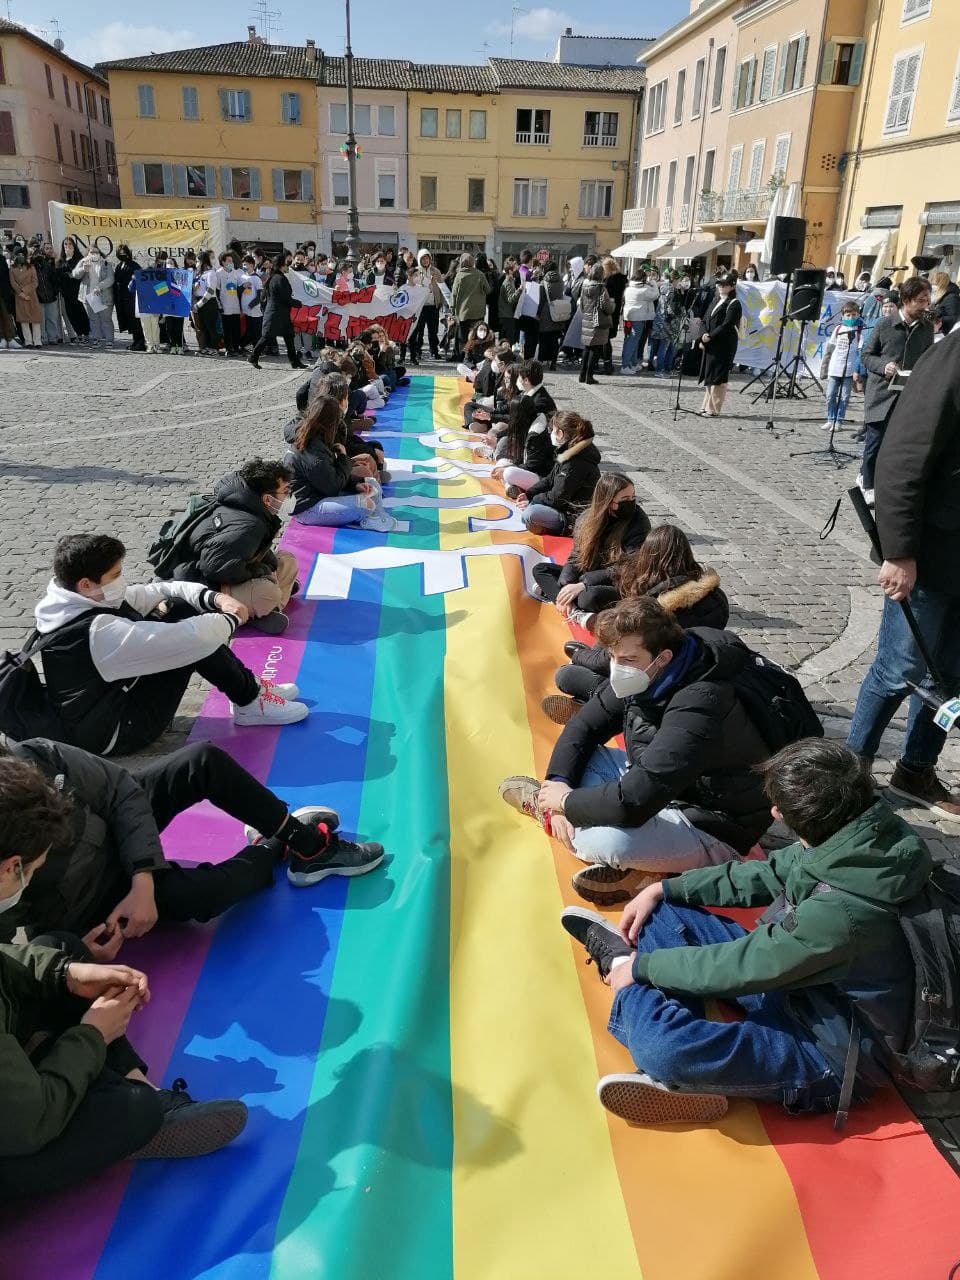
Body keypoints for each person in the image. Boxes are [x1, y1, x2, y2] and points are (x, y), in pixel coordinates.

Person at [559, 739, 931, 1127]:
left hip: (830, 1047)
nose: (773, 811)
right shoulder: (856, 832)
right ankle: (692, 1070)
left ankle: (630, 983)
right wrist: (664, 888)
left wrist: (639, 969)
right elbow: (765, 873)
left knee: (664, 1050)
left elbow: (745, 965)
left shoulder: (845, 910)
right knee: (660, 910)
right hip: (802, 982)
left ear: (790, 817)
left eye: (778, 808)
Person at [0, 758, 250, 1196]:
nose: (32, 880)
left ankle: (120, 1079)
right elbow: (30, 1124)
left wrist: (65, 973)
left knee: (60, 947)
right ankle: (133, 1104)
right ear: (10, 868)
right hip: (18, 1132)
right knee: (131, 1113)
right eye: (35, 871)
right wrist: (91, 1036)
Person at [499, 598, 772, 905]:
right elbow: (584, 727)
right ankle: (637, 860)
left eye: (627, 659)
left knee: (606, 842)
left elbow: (636, 800)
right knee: (582, 759)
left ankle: (559, 818)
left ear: (663, 657)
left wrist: (564, 802)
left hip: (714, 824)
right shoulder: (650, 672)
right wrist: (560, 781)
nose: (617, 668)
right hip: (662, 784)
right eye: (613, 657)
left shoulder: (700, 704)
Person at [0, 737, 383, 953]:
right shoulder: (15, 877)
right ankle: (271, 845)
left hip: (115, 833)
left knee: (201, 761)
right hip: (92, 904)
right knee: (210, 894)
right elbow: (17, 966)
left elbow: (120, 790)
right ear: (12, 866)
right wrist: (73, 958)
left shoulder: (33, 758)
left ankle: (307, 845)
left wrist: (143, 878)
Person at [34, 534, 309, 755]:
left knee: (179, 610)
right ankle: (250, 701)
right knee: (193, 635)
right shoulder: (98, 631)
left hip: (100, 707)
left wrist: (215, 599)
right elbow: (190, 638)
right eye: (115, 574)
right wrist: (230, 618)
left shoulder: (71, 601)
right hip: (114, 733)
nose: (122, 580)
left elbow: (161, 590)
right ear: (85, 583)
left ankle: (250, 691)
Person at [847, 332, 960, 817]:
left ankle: (915, 769)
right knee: (899, 670)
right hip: (931, 555)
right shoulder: (955, 355)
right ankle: (848, 777)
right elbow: (902, 457)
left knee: (952, 676)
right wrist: (899, 551)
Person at [548, 525, 729, 723]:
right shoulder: (717, 597)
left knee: (566, 674)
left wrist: (579, 654)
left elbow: (606, 661)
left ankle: (603, 704)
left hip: (655, 682)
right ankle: (594, 703)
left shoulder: (651, 613)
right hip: (693, 672)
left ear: (649, 558)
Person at [175, 458, 299, 635]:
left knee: (287, 561)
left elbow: (250, 550)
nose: (287, 497)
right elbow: (215, 568)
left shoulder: (249, 507)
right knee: (269, 593)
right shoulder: (249, 524)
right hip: (206, 585)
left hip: (228, 570)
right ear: (266, 498)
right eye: (284, 492)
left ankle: (261, 608)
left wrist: (267, 566)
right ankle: (254, 611)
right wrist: (258, 572)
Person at [858, 275, 933, 503]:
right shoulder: (884, 324)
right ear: (906, 299)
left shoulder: (926, 328)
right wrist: (884, 366)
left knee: (896, 444)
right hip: (881, 395)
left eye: (928, 300)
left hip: (908, 396)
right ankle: (867, 483)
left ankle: (879, 480)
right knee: (875, 441)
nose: (925, 305)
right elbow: (866, 356)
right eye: (921, 300)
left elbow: (927, 358)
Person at [532, 473, 650, 614]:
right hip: (589, 571)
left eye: (633, 497)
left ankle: (564, 601)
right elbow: (576, 556)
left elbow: (628, 567)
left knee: (590, 597)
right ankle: (567, 602)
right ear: (608, 501)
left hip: (619, 580)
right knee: (540, 569)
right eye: (625, 499)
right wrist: (567, 583)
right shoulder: (586, 519)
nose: (631, 502)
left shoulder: (639, 522)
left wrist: (584, 584)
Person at [284, 394, 398, 533]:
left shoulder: (317, 439)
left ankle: (377, 516)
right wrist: (343, 457)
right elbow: (332, 486)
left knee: (371, 486)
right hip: (307, 508)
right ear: (330, 423)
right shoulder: (313, 449)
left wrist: (355, 485)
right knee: (365, 504)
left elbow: (329, 475)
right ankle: (371, 517)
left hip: (319, 493)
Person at [508, 410, 601, 536]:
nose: (550, 433)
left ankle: (555, 528)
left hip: (572, 515)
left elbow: (558, 497)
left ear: (560, 433)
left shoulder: (575, 461)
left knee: (528, 515)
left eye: (552, 430)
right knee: (529, 507)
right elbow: (550, 479)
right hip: (561, 505)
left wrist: (534, 500)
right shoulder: (567, 451)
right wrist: (529, 494)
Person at [491, 358, 556, 490]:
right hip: (527, 459)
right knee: (504, 461)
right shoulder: (526, 396)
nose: (516, 381)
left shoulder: (539, 411)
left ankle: (511, 484)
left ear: (526, 380)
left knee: (508, 469)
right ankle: (509, 481)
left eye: (519, 378)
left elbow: (533, 464)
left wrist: (508, 468)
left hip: (540, 475)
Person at [249, 253, 305, 369]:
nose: (287, 266)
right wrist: (297, 303)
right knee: (266, 337)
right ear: (281, 265)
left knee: (289, 337)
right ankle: (253, 357)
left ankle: (295, 361)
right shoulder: (279, 279)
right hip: (276, 315)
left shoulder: (275, 277)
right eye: (285, 264)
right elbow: (285, 297)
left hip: (281, 314)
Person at [698, 274, 741, 417]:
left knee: (719, 376)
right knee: (709, 374)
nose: (722, 286)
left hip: (724, 344)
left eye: (726, 284)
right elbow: (705, 320)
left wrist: (710, 336)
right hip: (710, 343)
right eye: (720, 284)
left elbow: (727, 324)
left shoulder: (734, 303)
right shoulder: (715, 299)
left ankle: (714, 408)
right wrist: (703, 334)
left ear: (732, 286)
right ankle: (706, 404)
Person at [819, 300, 864, 432]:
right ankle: (830, 419)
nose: (851, 318)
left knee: (844, 397)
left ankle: (838, 421)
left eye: (854, 315)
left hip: (849, 370)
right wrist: (824, 368)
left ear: (858, 315)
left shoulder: (859, 331)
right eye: (848, 315)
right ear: (843, 316)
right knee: (830, 395)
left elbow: (860, 352)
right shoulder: (838, 329)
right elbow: (830, 349)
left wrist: (858, 370)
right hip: (835, 368)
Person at [577, 263, 614, 385]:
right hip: (598, 322)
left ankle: (582, 375)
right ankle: (589, 376)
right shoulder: (601, 289)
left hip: (586, 320)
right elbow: (607, 308)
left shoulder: (585, 286)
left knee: (587, 348)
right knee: (596, 349)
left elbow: (582, 305)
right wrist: (612, 304)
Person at [71, 245, 115, 346]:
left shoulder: (106, 263)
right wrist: (83, 269)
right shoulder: (83, 261)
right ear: (88, 253)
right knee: (93, 319)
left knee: (106, 319)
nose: (94, 254)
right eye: (92, 252)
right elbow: (75, 274)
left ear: (100, 253)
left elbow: (110, 279)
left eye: (96, 252)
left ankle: (109, 340)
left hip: (103, 296)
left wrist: (99, 286)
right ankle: (96, 339)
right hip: (88, 296)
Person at [449, 253, 490, 359]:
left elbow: (454, 293)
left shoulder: (459, 275)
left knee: (463, 336)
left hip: (463, 311)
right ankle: (475, 355)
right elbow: (488, 290)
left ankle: (464, 356)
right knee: (477, 334)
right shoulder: (480, 274)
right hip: (478, 311)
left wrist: (452, 307)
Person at [619, 271, 658, 373]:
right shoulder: (644, 290)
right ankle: (625, 366)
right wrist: (653, 283)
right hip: (638, 319)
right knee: (632, 342)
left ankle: (633, 363)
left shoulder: (628, 288)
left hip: (627, 318)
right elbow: (655, 295)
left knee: (630, 340)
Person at [410, 249, 444, 362]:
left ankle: (434, 351)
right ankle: (418, 351)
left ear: (430, 258)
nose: (425, 260)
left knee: (433, 330)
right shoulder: (415, 272)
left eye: (427, 258)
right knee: (419, 330)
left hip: (433, 305)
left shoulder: (436, 271)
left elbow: (442, 287)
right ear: (419, 259)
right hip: (420, 306)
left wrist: (441, 302)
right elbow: (410, 286)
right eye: (423, 258)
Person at [56, 237, 90, 344]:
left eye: (70, 244)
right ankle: (78, 334)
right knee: (71, 314)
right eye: (65, 244)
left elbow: (77, 274)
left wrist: (69, 274)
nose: (68, 246)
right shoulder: (60, 261)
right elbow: (58, 275)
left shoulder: (79, 258)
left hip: (77, 291)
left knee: (81, 313)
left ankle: (86, 333)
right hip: (66, 292)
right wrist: (66, 275)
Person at [600, 256, 628, 375]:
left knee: (605, 340)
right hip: (614, 313)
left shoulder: (610, 280)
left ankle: (607, 365)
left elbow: (606, 298)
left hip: (608, 313)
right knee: (606, 340)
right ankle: (607, 364)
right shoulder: (620, 279)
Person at [112, 245, 143, 351]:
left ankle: (141, 342)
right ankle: (135, 341)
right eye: (120, 252)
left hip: (132, 298)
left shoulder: (134, 266)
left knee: (136, 321)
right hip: (122, 298)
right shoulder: (119, 265)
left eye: (124, 252)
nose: (122, 254)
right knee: (129, 321)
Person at [32, 243, 63, 347]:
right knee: (41, 320)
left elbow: (54, 280)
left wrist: (55, 292)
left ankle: (52, 338)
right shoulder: (32, 268)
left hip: (51, 296)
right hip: (38, 297)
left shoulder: (48, 266)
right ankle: (43, 338)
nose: (38, 257)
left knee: (52, 319)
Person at [214, 250, 244, 355]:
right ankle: (229, 349)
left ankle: (236, 348)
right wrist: (219, 305)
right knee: (227, 329)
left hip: (235, 306)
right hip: (225, 306)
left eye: (232, 261)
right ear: (223, 262)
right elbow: (216, 290)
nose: (231, 263)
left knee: (236, 329)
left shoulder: (236, 273)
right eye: (229, 261)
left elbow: (240, 288)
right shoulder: (218, 273)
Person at [9, 251, 41, 347]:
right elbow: (13, 282)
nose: (21, 257)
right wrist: (21, 293)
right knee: (24, 320)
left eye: (22, 255)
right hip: (19, 297)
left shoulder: (31, 267)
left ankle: (37, 341)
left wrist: (25, 291)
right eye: (18, 255)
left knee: (35, 319)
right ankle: (28, 342)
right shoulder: (12, 269)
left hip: (31, 295)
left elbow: (35, 282)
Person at [239, 254, 264, 350]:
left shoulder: (256, 278)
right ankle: (244, 345)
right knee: (248, 329)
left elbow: (260, 295)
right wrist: (242, 287)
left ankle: (257, 348)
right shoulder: (242, 277)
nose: (244, 267)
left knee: (256, 330)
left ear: (252, 265)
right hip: (245, 311)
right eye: (243, 265)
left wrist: (251, 305)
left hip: (255, 311)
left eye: (246, 264)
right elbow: (239, 292)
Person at [497, 260, 522, 346]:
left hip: (506, 314)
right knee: (507, 340)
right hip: (507, 315)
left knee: (506, 340)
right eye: (515, 269)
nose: (517, 270)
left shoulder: (510, 280)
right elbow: (511, 299)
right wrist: (520, 290)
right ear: (510, 271)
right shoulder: (508, 281)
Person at [929, 270, 960, 335]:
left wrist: (937, 320)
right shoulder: (943, 297)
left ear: (941, 284)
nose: (933, 287)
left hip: (947, 336)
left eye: (934, 284)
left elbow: (955, 319)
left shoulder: (952, 298)